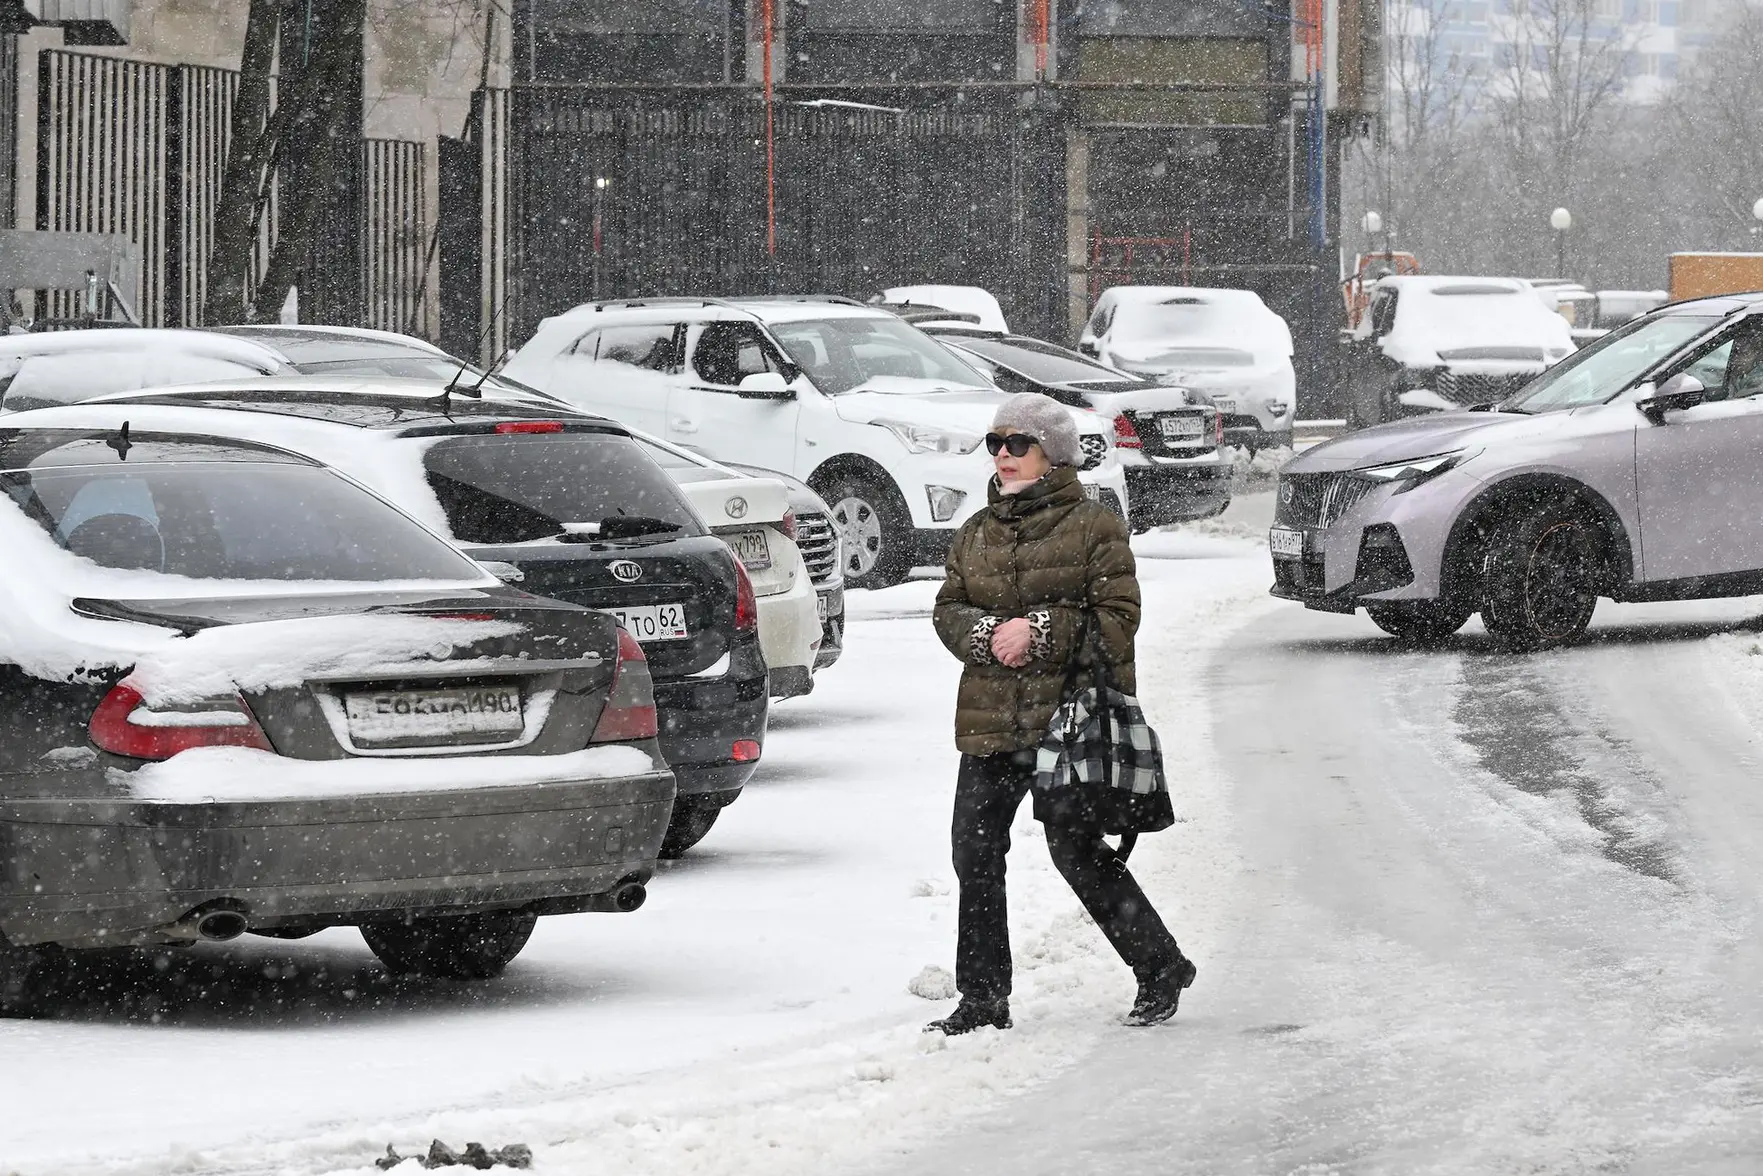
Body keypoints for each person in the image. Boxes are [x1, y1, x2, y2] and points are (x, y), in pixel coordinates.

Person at [926, 391, 1195, 1035]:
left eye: (1018, 444)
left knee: (1074, 851)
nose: (1003, 456)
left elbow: (1118, 623)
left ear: (1054, 454)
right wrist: (985, 631)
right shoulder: (976, 531)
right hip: (991, 721)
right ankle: (984, 998)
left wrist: (1040, 630)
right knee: (976, 854)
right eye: (995, 443)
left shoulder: (1094, 524)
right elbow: (948, 608)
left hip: (1067, 721)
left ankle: (1160, 966)